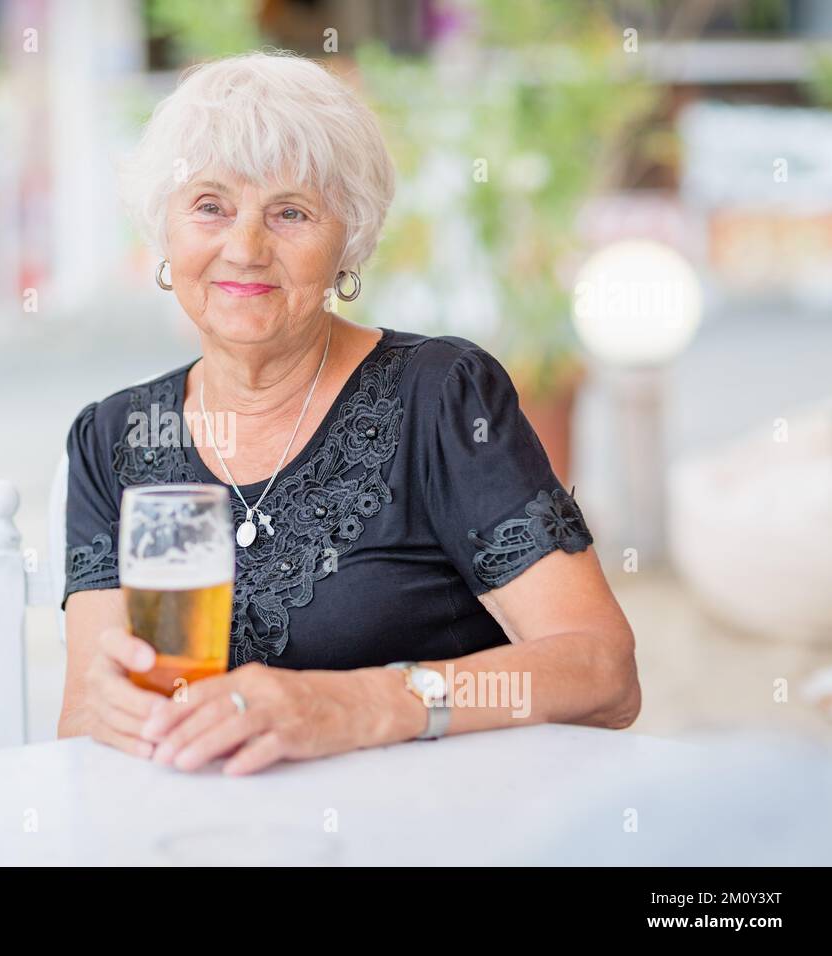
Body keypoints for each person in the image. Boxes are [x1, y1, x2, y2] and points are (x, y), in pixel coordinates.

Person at [57, 51, 639, 775]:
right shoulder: (113, 440)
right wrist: (113, 711)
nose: (245, 247)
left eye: (291, 212)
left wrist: (357, 706)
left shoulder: (440, 397)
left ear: (347, 243)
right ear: (166, 233)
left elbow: (603, 672)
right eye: (210, 206)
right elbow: (83, 722)